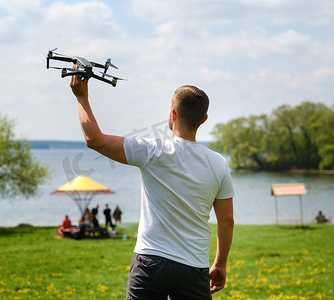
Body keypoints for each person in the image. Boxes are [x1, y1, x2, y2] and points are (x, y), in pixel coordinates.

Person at [69, 66, 234, 299]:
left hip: (149, 262)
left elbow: (94, 139)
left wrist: (81, 97)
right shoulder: (218, 164)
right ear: (204, 119)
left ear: (173, 114)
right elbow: (226, 220)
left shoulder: (152, 151)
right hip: (193, 267)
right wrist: (220, 263)